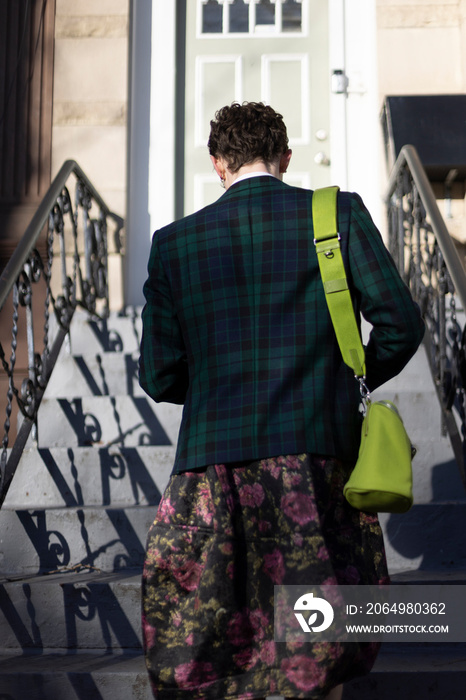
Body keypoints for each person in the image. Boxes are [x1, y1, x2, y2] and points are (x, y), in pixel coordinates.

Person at [139, 101, 424, 700]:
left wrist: (220, 387)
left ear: (218, 165)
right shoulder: (335, 214)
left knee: (214, 636)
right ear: (286, 158)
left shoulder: (173, 244)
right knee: (320, 633)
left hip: (212, 463)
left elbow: (159, 375)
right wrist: (347, 380)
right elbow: (399, 321)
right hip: (314, 455)